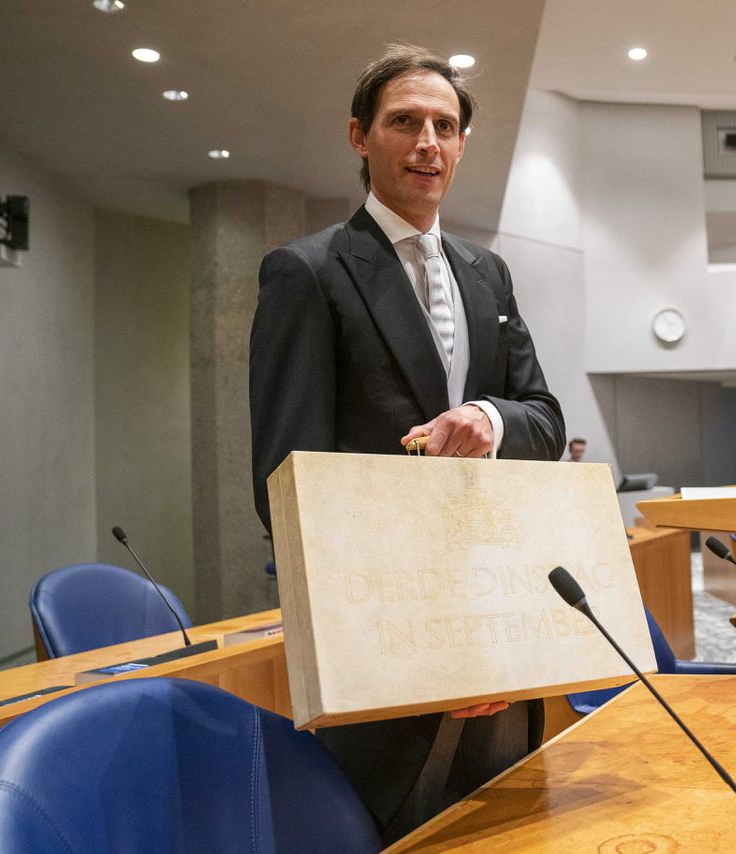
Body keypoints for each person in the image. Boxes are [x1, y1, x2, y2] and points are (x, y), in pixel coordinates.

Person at [248, 44, 564, 843]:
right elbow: (287, 486)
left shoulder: (488, 274)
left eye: (445, 127)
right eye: (405, 122)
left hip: (500, 619)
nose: (428, 142)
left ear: (461, 145)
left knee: (510, 829)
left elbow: (544, 420)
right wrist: (432, 650)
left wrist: (490, 418)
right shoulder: (306, 271)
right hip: (387, 637)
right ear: (360, 136)